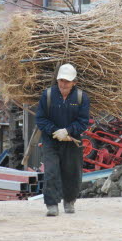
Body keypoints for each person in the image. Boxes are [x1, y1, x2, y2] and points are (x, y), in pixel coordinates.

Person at [35, 63, 90, 216]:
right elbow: (40, 119)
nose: (63, 84)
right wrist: (55, 131)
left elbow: (83, 121)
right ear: (57, 80)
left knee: (71, 171)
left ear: (74, 82)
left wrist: (67, 131)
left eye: (67, 81)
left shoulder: (81, 97)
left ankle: (69, 201)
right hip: (51, 140)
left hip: (72, 141)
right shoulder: (47, 96)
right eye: (61, 80)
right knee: (51, 171)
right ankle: (51, 204)